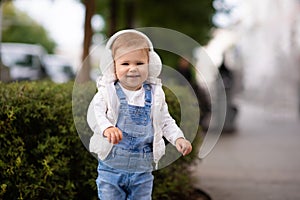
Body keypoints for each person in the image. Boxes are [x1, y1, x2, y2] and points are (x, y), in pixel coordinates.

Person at [87, 29, 192, 200]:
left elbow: (165, 121)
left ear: (150, 65)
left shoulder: (155, 95)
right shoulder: (108, 92)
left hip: (142, 169)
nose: (133, 69)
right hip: (111, 165)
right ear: (114, 66)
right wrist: (107, 128)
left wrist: (178, 138)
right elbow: (95, 113)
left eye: (139, 63)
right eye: (125, 63)